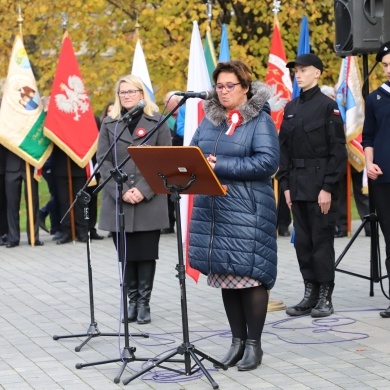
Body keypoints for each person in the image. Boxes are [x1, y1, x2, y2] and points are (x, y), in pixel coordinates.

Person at [188, 60, 279, 371]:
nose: (223, 91)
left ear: (245, 89)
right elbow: (193, 152)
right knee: (227, 276)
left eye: (230, 86)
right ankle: (237, 341)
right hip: (215, 210)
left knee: (250, 278)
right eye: (219, 86)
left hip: (248, 210)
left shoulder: (259, 121)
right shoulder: (209, 120)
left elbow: (267, 163)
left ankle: (254, 345)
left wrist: (220, 166)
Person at [276, 54, 347, 318]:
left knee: (321, 241)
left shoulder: (328, 107)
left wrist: (328, 187)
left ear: (317, 73)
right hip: (296, 183)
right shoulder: (291, 107)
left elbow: (337, 151)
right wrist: (285, 184)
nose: (298, 74)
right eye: (296, 70)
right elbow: (283, 150)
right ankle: (310, 293)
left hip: (320, 184)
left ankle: (325, 295)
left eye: (304, 70)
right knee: (302, 242)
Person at [97, 74, 171, 324]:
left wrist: (143, 190)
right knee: (126, 254)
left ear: (142, 94)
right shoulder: (110, 123)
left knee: (146, 253)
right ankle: (131, 302)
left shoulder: (158, 121)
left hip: (148, 199)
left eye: (131, 91)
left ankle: (144, 303)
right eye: (122, 92)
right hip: (119, 200)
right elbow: (103, 162)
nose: (127, 96)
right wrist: (120, 191)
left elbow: (165, 161)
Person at [362, 41, 390, 318]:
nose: (388, 69)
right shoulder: (375, 98)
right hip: (383, 181)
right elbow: (368, 136)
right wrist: (369, 163)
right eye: (384, 65)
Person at [320, 85, 370, 238]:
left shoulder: (346, 109)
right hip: (339, 158)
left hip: (355, 154)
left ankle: (368, 225)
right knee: (341, 193)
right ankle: (341, 226)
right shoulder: (324, 112)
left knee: (361, 192)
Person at [4, 150, 44, 248]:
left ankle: (33, 237)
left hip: (30, 164)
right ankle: (13, 238)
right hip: (11, 165)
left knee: (33, 204)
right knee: (12, 205)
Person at [161, 91, 184, 234]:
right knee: (169, 190)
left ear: (177, 102)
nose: (165, 104)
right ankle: (169, 223)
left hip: (184, 157)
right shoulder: (164, 119)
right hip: (169, 159)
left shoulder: (189, 114)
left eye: (167, 101)